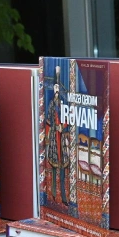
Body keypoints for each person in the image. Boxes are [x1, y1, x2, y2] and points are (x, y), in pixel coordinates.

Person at [45, 66, 72, 205]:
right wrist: (55, 128)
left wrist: (63, 126)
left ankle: (64, 196)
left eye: (58, 88)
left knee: (62, 168)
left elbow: (68, 119)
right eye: (55, 88)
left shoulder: (63, 104)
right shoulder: (51, 104)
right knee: (55, 168)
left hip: (62, 138)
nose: (56, 90)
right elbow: (48, 120)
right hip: (54, 138)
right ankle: (53, 194)